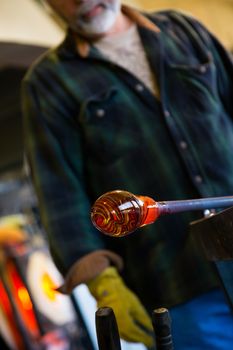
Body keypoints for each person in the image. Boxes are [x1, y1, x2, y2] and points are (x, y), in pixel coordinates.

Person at [21, 0, 233, 349]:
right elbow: (59, 194)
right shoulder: (47, 83)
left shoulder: (185, 30)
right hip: (177, 289)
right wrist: (100, 279)